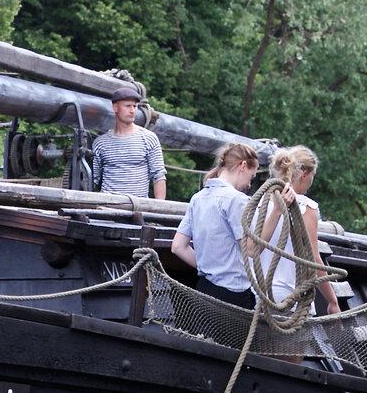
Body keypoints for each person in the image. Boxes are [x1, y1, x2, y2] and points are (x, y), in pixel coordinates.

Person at [247, 146, 341, 314]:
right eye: (313, 176)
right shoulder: (307, 207)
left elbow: (252, 249)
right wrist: (332, 301)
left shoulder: (260, 202)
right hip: (290, 297)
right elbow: (312, 260)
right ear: (305, 173)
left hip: (258, 294)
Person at [172, 143, 261, 307]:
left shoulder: (197, 198)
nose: (249, 184)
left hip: (204, 288)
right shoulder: (237, 200)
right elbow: (252, 249)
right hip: (233, 294)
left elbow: (178, 246)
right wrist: (276, 213)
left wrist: (208, 268)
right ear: (242, 165)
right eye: (251, 176)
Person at [91, 83, 166, 199]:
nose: (132, 111)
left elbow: (159, 176)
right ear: (115, 108)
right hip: (107, 210)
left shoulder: (149, 138)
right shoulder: (100, 143)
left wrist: (159, 210)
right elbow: (91, 180)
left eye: (135, 106)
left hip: (138, 210)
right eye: (128, 106)